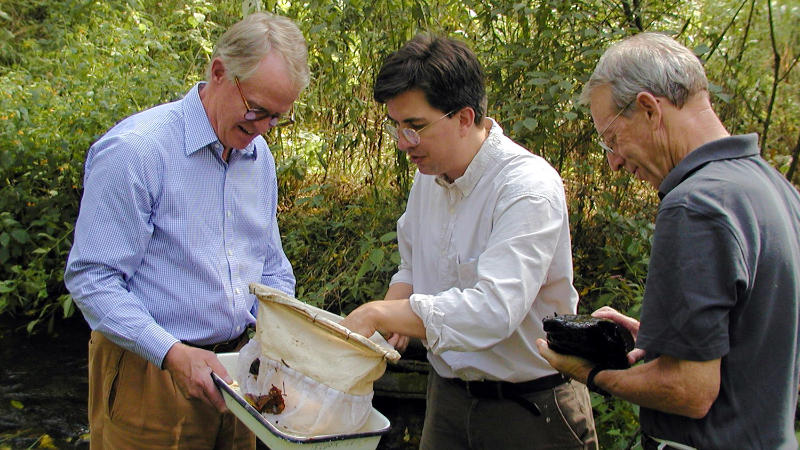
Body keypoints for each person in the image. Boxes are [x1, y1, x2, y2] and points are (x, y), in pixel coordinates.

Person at [536, 32, 800, 449]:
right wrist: (658, 338)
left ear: (648, 109)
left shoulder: (695, 204)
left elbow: (689, 391)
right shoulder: (775, 188)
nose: (615, 162)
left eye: (612, 139)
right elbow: (754, 343)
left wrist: (588, 373)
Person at [64, 12, 309, 449]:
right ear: (218, 72)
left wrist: (282, 331)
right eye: (256, 110)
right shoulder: (136, 151)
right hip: (149, 372)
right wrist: (172, 353)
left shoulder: (259, 157)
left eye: (276, 117)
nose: (263, 129)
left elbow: (270, 266)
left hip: (237, 372)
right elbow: (93, 279)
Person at [340, 34, 598, 449]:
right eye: (397, 127)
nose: (405, 143)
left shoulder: (526, 188)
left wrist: (380, 314)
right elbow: (410, 267)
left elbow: (494, 310)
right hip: (446, 403)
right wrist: (389, 322)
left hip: (528, 408)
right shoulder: (429, 178)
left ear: (464, 117)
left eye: (416, 127)